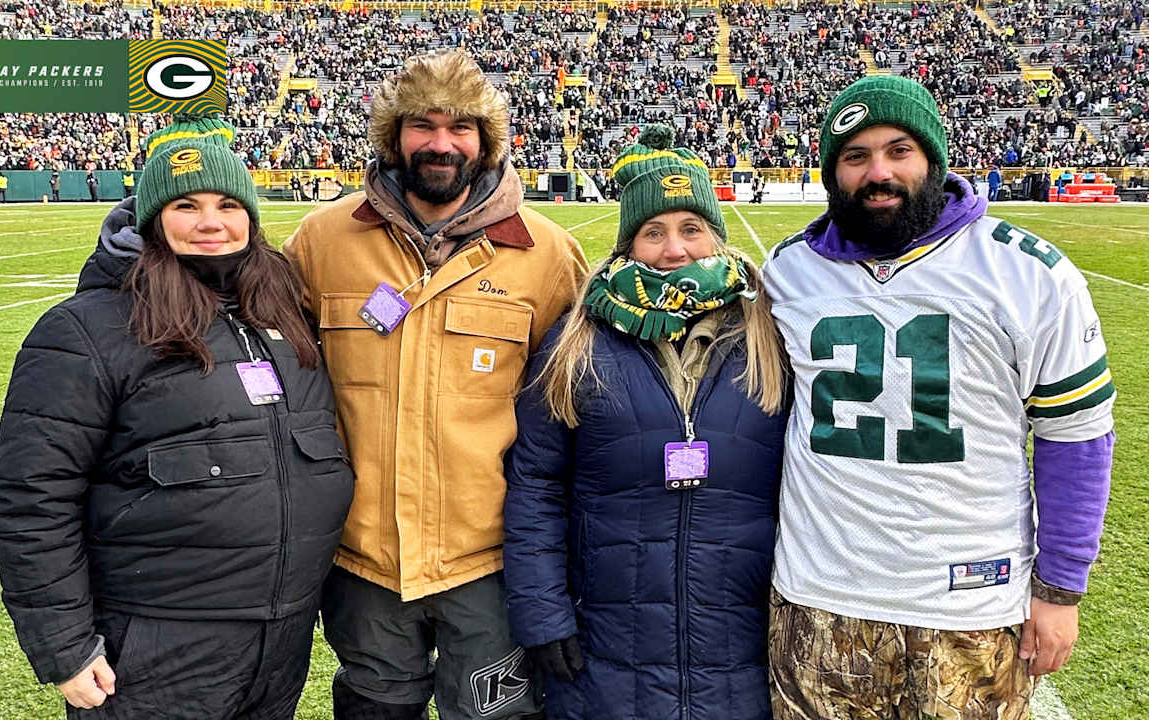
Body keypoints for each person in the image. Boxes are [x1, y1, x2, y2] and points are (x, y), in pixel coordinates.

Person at [763, 75, 1115, 720]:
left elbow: (1076, 436)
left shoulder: (1029, 272)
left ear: (933, 158)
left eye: (900, 151)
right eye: (855, 156)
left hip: (972, 605)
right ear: (830, 170)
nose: (879, 173)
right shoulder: (788, 273)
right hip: (820, 598)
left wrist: (1061, 590)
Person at [0, 114, 354, 720]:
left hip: (280, 637)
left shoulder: (282, 312)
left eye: (228, 204)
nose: (211, 222)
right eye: (186, 204)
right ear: (152, 216)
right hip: (156, 646)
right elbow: (32, 495)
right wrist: (66, 647)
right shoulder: (87, 329)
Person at [283, 49, 587, 720]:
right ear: (394, 137)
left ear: (487, 142)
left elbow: (579, 416)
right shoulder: (322, 241)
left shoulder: (548, 256)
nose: (441, 143)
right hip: (363, 561)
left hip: (488, 563)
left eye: (461, 128)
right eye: (422, 125)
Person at [503, 125, 789, 720]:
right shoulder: (575, 344)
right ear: (627, 247)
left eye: (692, 229)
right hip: (606, 643)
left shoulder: (772, 335)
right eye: (652, 232)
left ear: (717, 236)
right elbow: (535, 485)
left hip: (741, 640)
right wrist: (542, 610)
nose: (674, 250)